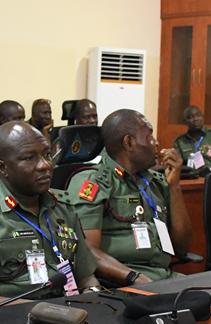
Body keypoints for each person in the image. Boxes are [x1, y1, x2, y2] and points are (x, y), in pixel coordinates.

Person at [0, 122, 99, 308]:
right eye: (29, 158)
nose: (45, 165)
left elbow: (86, 276)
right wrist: (34, 309)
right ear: (2, 168)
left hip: (67, 310)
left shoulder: (63, 206)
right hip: (8, 315)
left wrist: (94, 297)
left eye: (47, 155)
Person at [68, 109, 192, 285]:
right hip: (122, 282)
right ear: (129, 142)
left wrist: (174, 187)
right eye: (149, 136)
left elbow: (182, 247)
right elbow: (87, 251)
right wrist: (134, 277)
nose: (156, 143)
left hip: (163, 277)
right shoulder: (94, 182)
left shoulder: (154, 181)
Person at [172, 105, 211, 171]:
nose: (195, 119)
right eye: (191, 117)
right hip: (189, 175)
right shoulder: (179, 142)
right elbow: (177, 165)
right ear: (185, 121)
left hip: (210, 174)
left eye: (198, 115)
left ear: (203, 117)